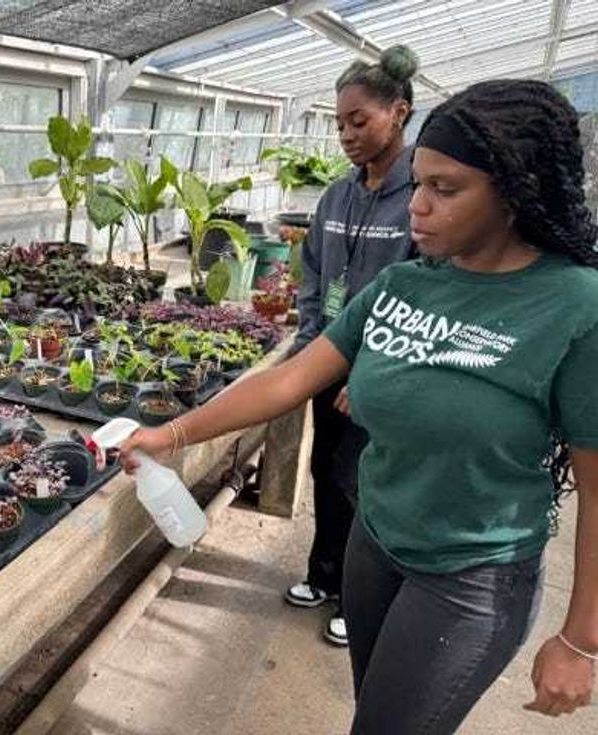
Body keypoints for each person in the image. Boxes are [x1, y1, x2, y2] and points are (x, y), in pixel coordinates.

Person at [121, 79, 598, 733]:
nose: (417, 207)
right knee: (375, 709)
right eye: (420, 183)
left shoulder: (576, 307)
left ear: (518, 190)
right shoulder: (403, 284)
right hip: (373, 543)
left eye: (445, 189)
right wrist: (171, 432)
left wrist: (580, 639)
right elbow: (288, 382)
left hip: (470, 576)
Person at [286, 46, 419, 646]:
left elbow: (425, 299)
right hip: (328, 367)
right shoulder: (338, 197)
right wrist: (313, 342)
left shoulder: (422, 197)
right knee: (324, 470)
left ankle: (357, 599)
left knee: (363, 482)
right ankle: (323, 573)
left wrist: (372, 371)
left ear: (399, 113)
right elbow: (312, 271)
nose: (345, 134)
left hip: (383, 379)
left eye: (358, 121)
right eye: (339, 123)